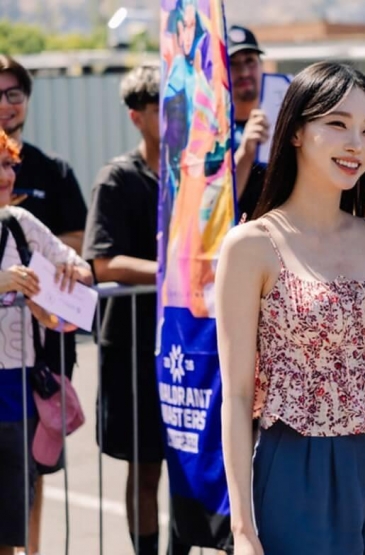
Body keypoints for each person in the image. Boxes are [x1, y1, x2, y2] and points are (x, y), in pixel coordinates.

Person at [217, 61, 365, 554]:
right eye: (338, 124)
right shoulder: (251, 245)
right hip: (299, 464)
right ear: (295, 131)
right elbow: (237, 395)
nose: (356, 144)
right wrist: (242, 528)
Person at [83, 66, 189, 555]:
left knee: (190, 463)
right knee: (145, 469)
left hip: (187, 344)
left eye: (179, 108)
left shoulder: (195, 177)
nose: (174, 119)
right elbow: (103, 263)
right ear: (137, 117)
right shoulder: (117, 178)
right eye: (161, 110)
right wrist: (176, 273)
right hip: (131, 346)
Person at [0, 53, 89, 555]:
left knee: (19, 494)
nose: (6, 177)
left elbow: (76, 257)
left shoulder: (24, 219)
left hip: (20, 377)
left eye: (9, 166)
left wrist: (65, 275)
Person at [228, 25, 269, 220]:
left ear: (261, 65)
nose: (244, 72)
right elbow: (218, 204)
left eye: (250, 61)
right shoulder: (212, 133)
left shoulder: (284, 121)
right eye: (233, 64)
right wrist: (245, 152)